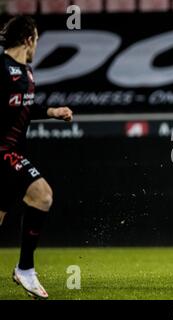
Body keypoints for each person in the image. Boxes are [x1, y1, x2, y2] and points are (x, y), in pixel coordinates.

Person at [0, 16, 73, 298]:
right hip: (4, 154)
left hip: (12, 153)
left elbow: (25, 107)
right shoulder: (2, 70)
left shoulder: (25, 72)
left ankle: (24, 270)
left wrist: (52, 112)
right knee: (42, 195)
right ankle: (25, 269)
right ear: (29, 39)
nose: (37, 46)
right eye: (37, 40)